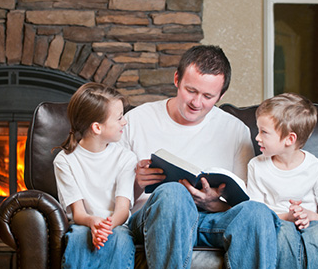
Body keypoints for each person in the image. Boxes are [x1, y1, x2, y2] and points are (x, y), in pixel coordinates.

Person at [119, 45, 281, 268]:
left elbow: (242, 201)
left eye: (208, 96)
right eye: (191, 91)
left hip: (209, 220)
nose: (197, 103)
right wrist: (137, 183)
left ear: (221, 95)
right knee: (174, 194)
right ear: (177, 79)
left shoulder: (236, 131)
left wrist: (214, 203)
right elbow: (109, 197)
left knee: (258, 212)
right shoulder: (136, 120)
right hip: (152, 219)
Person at [247, 92, 318, 268]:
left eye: (264, 132)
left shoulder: (316, 169)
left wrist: (310, 216)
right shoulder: (256, 166)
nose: (257, 137)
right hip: (277, 224)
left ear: (290, 139)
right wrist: (288, 217)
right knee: (284, 234)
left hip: (312, 225)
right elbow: (256, 218)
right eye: (258, 130)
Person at [53, 83, 137, 269]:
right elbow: (79, 214)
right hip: (83, 224)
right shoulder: (64, 161)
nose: (125, 122)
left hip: (116, 224)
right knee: (78, 238)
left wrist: (106, 227)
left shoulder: (126, 158)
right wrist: (93, 222)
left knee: (121, 239)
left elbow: (122, 210)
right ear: (97, 128)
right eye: (119, 118)